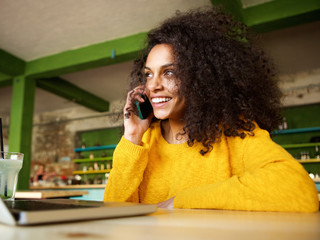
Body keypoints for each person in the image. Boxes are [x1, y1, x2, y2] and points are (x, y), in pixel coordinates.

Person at [103, 7, 319, 212]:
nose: (153, 86)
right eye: (149, 74)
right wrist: (132, 136)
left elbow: (299, 188)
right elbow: (111, 212)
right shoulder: (143, 141)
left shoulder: (235, 134)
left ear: (202, 77)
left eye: (169, 72)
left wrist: (181, 202)